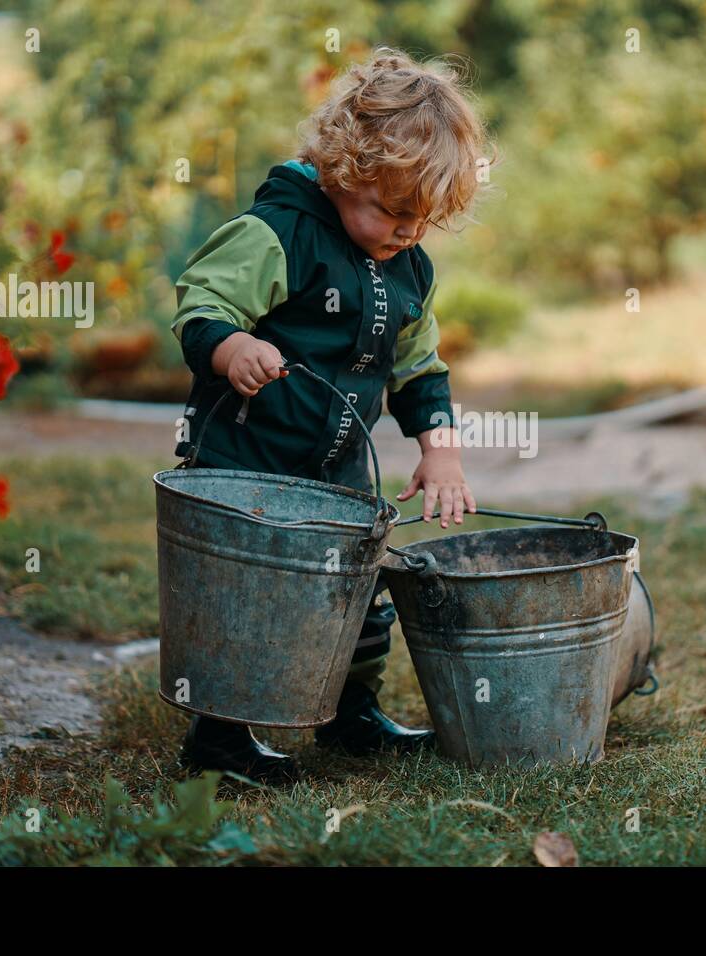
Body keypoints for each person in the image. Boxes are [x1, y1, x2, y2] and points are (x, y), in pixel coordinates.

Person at [169, 47, 492, 784]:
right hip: (247, 463)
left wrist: (439, 449)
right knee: (253, 603)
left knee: (359, 592)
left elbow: (419, 367)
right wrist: (233, 347)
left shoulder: (409, 267)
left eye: (422, 220)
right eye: (389, 211)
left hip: (338, 466)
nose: (404, 232)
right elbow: (202, 306)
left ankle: (352, 717)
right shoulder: (280, 231)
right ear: (344, 170)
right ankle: (219, 740)